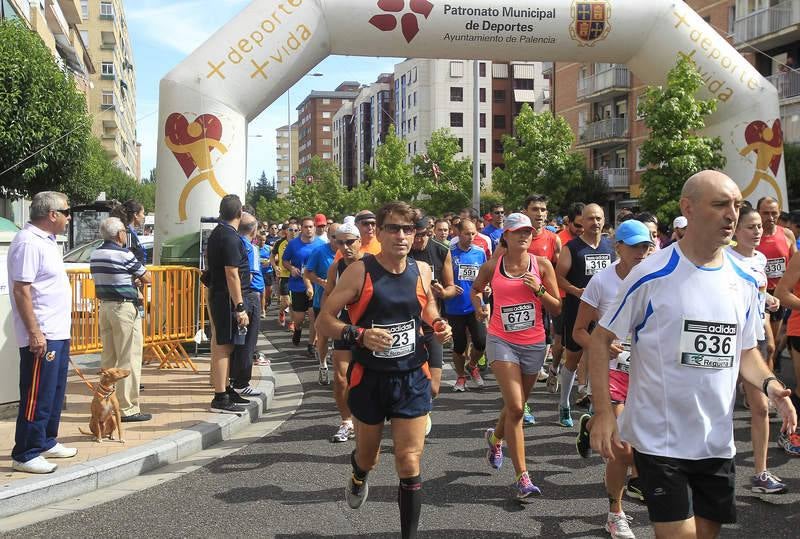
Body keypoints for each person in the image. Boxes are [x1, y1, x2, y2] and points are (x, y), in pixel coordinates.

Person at [589, 170, 797, 539]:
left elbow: (746, 349)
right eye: (720, 205)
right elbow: (601, 339)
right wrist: (604, 412)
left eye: (735, 205)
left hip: (716, 440)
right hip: (659, 439)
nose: (731, 214)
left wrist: (771, 385)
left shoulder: (745, 278)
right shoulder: (651, 273)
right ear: (689, 207)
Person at [317, 202, 452, 539]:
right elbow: (324, 321)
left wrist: (436, 323)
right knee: (369, 457)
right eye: (394, 228)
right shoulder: (360, 272)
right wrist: (358, 334)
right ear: (378, 231)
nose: (402, 236)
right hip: (370, 378)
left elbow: (427, 306)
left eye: (408, 229)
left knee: (409, 460)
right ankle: (358, 475)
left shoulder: (421, 270)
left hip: (411, 376)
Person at [470, 213, 560, 501]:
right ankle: (523, 477)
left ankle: (495, 438)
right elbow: (475, 290)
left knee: (516, 407)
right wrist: (479, 307)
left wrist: (540, 290)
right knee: (518, 408)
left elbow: (557, 308)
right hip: (501, 341)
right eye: (518, 231)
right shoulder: (491, 266)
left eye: (528, 232)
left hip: (534, 343)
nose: (524, 236)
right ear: (505, 236)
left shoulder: (542, 265)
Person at [572, 219, 654, 536]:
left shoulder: (656, 278)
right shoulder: (602, 282)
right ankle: (615, 512)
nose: (640, 252)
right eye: (633, 246)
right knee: (623, 449)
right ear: (617, 246)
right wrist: (603, 347)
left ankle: (589, 425)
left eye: (646, 246)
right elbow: (579, 331)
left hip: (647, 375)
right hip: (612, 374)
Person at [9, 192, 78, 474]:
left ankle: (46, 440)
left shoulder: (47, 242)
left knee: (53, 391)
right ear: (52, 214)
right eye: (66, 211)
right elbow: (21, 290)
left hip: (57, 330)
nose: (68, 216)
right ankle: (26, 452)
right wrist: (35, 332)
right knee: (37, 393)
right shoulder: (27, 242)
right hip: (43, 332)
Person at [728, 206, 787, 490]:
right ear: (736, 231)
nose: (756, 231)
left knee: (761, 408)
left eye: (758, 227)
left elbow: (757, 294)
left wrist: (768, 302)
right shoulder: (725, 258)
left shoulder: (761, 258)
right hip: (726, 344)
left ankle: (760, 473)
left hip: (752, 342)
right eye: (750, 227)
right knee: (719, 409)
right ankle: (707, 468)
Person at [556, 203, 616, 426]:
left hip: (604, 311)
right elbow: (559, 277)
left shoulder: (611, 248)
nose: (596, 223)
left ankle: (594, 406)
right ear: (582, 221)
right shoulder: (572, 248)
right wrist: (577, 291)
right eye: (591, 218)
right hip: (578, 308)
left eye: (599, 218)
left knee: (601, 356)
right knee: (573, 358)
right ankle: (564, 404)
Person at [90, 216, 152, 423]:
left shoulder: (95, 254)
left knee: (108, 358)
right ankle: (127, 408)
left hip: (105, 307)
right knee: (128, 357)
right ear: (120, 234)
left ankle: (105, 403)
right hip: (124, 307)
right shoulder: (124, 254)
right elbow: (147, 277)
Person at [206, 195, 251, 414]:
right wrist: (240, 306)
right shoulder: (229, 237)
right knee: (223, 345)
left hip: (221, 295)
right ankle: (220, 395)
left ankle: (226, 388)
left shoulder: (219, 233)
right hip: (226, 299)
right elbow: (231, 273)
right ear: (240, 213)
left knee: (227, 344)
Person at [410, 216, 460, 414]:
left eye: (424, 235)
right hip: (410, 324)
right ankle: (412, 419)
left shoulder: (441, 250)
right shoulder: (403, 251)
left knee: (434, 388)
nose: (420, 240)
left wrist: (442, 292)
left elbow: (451, 288)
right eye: (417, 235)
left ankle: (419, 410)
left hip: (433, 324)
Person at [321, 218, 362, 443]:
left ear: (359, 241)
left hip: (368, 326)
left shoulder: (372, 263)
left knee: (370, 378)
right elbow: (328, 295)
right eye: (340, 243)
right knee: (340, 377)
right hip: (344, 325)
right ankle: (346, 421)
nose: (345, 247)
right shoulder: (336, 267)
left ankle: (371, 419)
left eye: (350, 242)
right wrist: (325, 321)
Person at [523, 193, 562, 424]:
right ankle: (520, 402)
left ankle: (523, 395)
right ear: (526, 211)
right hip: (517, 303)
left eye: (543, 209)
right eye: (535, 209)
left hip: (542, 300)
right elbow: (496, 265)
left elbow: (556, 272)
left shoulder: (552, 238)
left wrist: (551, 295)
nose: (539, 214)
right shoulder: (515, 236)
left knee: (543, 346)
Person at [547, 202, 585, 394]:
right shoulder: (559, 240)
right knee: (561, 344)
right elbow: (554, 272)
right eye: (577, 225)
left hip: (586, 303)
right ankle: (554, 369)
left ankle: (582, 385)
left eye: (583, 224)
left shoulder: (593, 241)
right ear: (569, 222)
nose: (581, 229)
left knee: (585, 345)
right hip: (562, 299)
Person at [446, 218, 487, 392]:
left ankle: (472, 365)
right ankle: (461, 376)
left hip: (475, 304)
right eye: (466, 233)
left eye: (473, 233)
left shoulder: (479, 252)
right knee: (459, 345)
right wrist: (449, 286)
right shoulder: (450, 252)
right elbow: (445, 276)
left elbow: (485, 275)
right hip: (455, 306)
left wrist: (488, 288)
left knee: (480, 342)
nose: (471, 236)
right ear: (457, 233)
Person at [756, 196, 797, 370]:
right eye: (765, 213)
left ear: (779, 213)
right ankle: (764, 377)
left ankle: (769, 373)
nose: (770, 217)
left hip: (780, 295)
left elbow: (795, 262)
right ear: (758, 213)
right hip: (759, 294)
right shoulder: (752, 235)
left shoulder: (787, 234)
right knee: (767, 343)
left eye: (774, 213)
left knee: (776, 339)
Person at [229, 212, 264, 397]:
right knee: (248, 340)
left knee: (239, 339)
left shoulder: (235, 243)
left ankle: (234, 378)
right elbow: (248, 274)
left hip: (242, 296)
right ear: (254, 229)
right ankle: (242, 381)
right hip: (249, 296)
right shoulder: (250, 248)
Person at [283, 217, 325, 353]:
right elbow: (285, 260)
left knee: (314, 315)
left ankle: (311, 345)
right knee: (299, 317)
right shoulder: (293, 244)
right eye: (306, 227)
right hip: (298, 285)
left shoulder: (321, 244)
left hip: (315, 285)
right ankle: (298, 328)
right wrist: (291, 268)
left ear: (314, 228)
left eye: (311, 227)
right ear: (301, 228)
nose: (308, 229)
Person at [305, 223, 339, 385]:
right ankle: (323, 365)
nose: (338, 241)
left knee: (341, 336)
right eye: (334, 237)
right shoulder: (319, 252)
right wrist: (321, 282)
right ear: (328, 235)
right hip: (322, 301)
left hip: (343, 304)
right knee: (324, 336)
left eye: (340, 237)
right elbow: (307, 272)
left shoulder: (349, 252)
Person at [272, 223, 297, 329]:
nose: (293, 232)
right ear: (286, 231)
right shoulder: (280, 243)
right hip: (284, 275)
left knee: (293, 302)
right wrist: (275, 266)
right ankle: (281, 312)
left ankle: (292, 322)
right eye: (291, 230)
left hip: (296, 275)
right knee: (287, 301)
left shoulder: (300, 243)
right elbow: (272, 257)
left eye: (296, 230)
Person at [111, 200, 147, 264]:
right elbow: (128, 257)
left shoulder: (129, 231)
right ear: (135, 214)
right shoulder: (128, 234)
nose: (144, 216)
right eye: (143, 213)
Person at [257, 232, 273, 319]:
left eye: (263, 240)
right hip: (259, 273)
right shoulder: (254, 248)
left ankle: (268, 300)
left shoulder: (269, 248)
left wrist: (269, 261)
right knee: (261, 293)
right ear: (257, 239)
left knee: (269, 291)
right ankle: (262, 310)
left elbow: (276, 256)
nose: (262, 242)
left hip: (268, 272)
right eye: (260, 240)